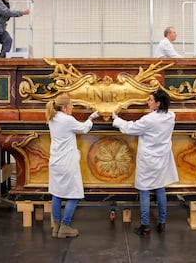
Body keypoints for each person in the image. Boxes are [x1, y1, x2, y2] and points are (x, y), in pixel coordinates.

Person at [112, 89, 179, 236]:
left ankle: (145, 226)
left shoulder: (149, 119)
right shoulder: (171, 116)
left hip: (149, 160)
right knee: (160, 188)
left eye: (150, 100)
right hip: (162, 158)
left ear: (158, 103)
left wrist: (116, 120)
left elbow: (131, 128)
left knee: (144, 190)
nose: (147, 102)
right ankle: (162, 224)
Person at [45, 94, 99, 238]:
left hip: (56, 161)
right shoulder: (67, 120)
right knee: (74, 194)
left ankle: (56, 227)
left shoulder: (52, 118)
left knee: (56, 193)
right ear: (64, 107)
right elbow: (83, 129)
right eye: (71, 104)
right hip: (67, 162)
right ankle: (65, 226)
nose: (72, 107)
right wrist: (91, 118)